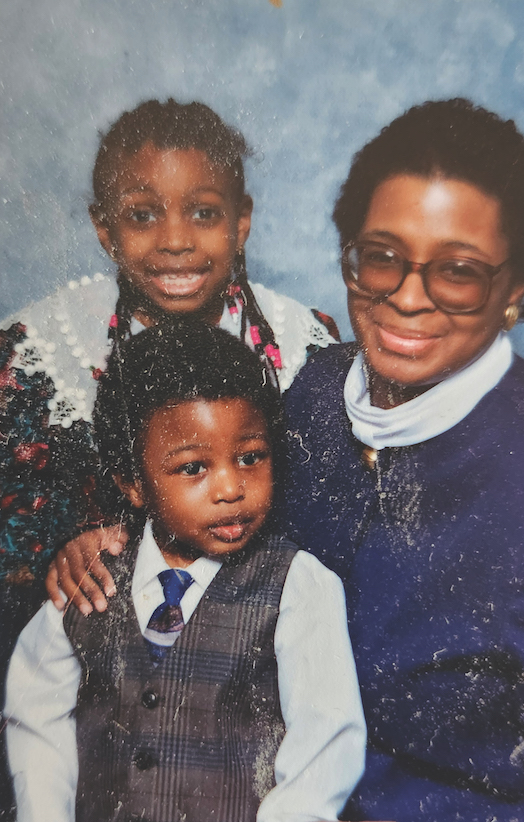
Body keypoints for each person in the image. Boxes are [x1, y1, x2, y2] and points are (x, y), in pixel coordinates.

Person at [49, 98, 524, 820]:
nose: (407, 296)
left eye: (458, 271)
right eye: (382, 256)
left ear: (515, 289)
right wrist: (117, 548)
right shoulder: (312, 393)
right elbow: (228, 545)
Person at [0, 97, 337, 815]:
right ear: (102, 227)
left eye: (205, 212)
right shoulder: (34, 352)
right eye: (143, 214)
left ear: (242, 220)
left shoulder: (306, 343)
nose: (175, 241)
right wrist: (60, 559)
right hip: (88, 689)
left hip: (247, 694)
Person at [5, 320, 365, 822]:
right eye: (194, 467)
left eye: (250, 457)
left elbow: (325, 746)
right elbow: (35, 712)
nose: (230, 488)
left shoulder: (298, 585)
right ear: (133, 484)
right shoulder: (92, 579)